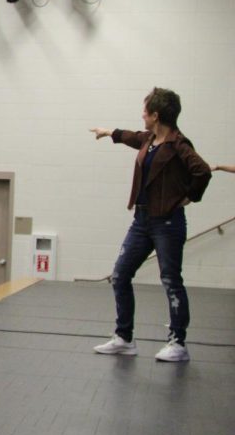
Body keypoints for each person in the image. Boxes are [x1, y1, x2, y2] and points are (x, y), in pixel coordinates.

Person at [90, 87, 211, 361]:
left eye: (145, 111)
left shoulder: (179, 144)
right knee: (120, 274)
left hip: (167, 222)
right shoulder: (150, 139)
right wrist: (110, 132)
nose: (142, 115)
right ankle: (124, 338)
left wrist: (189, 197)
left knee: (170, 279)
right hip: (142, 221)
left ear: (156, 115)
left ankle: (178, 343)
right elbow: (132, 137)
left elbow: (201, 171)